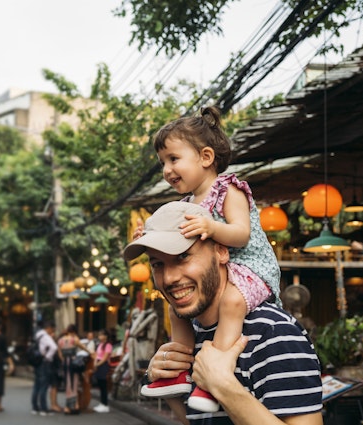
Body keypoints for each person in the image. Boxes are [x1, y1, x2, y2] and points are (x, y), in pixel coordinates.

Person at [125, 201, 322, 425]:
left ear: (221, 251)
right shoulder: (194, 333)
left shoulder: (273, 332)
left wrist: (223, 386)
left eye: (183, 257)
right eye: (158, 264)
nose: (169, 278)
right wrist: (165, 382)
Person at [138, 106, 282, 413]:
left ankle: (214, 373)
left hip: (250, 268)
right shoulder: (186, 202)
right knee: (176, 309)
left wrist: (211, 227)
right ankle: (179, 367)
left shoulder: (230, 189)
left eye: (173, 159)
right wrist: (146, 233)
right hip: (223, 271)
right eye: (163, 162)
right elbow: (171, 239)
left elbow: (241, 234)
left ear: (205, 157)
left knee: (231, 303)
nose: (166, 169)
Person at [57, 324, 90, 414]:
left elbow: (59, 353)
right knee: (74, 384)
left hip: (65, 364)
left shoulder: (61, 340)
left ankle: (68, 407)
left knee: (67, 384)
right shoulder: (74, 339)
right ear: (75, 331)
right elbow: (83, 347)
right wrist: (91, 352)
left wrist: (63, 360)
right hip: (73, 363)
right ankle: (75, 406)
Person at [30, 320, 58, 416]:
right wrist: (48, 357)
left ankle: (35, 407)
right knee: (44, 386)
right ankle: (43, 408)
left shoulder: (37, 335)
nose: (52, 332)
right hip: (44, 363)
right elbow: (54, 347)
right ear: (49, 328)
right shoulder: (45, 336)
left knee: (36, 385)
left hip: (37, 362)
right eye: (52, 329)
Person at [91, 328, 114, 413]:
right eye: (99, 335)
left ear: (106, 336)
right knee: (100, 385)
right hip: (98, 364)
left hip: (103, 365)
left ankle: (105, 404)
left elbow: (105, 358)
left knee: (104, 386)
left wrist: (97, 364)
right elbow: (96, 355)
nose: (100, 336)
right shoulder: (100, 344)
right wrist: (94, 363)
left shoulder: (108, 345)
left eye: (101, 335)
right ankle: (102, 403)